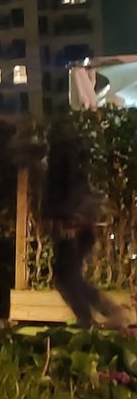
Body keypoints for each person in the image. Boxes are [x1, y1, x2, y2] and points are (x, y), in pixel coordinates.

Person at [43, 121, 128, 327]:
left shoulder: (62, 168)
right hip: (73, 229)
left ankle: (92, 318)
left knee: (67, 278)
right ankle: (97, 315)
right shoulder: (67, 167)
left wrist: (69, 220)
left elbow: (68, 195)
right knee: (66, 277)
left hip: (73, 230)